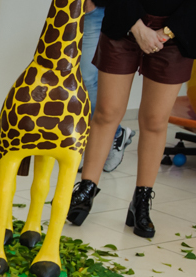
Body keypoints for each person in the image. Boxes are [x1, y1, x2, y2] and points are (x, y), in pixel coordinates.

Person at [68, 0, 196, 238]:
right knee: (107, 113)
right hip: (124, 18)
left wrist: (164, 33)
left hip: (177, 33)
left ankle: (141, 201)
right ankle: (86, 190)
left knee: (155, 121)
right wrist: (137, 27)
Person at [81, 0, 134, 173]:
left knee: (94, 78)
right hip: (93, 11)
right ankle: (116, 134)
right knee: (86, 78)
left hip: (125, 11)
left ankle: (113, 135)